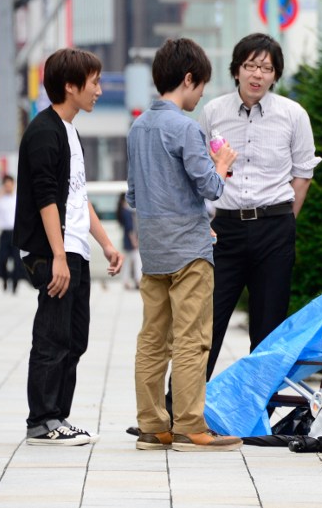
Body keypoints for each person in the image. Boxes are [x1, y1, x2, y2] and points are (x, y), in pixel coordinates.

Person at [127, 37, 243, 452]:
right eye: (201, 86)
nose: (201, 95)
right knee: (192, 340)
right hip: (190, 254)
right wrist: (223, 164)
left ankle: (151, 426)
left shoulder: (138, 126)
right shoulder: (186, 128)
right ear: (189, 78)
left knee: (152, 339)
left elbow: (135, 196)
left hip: (154, 251)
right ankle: (189, 426)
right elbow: (210, 188)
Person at [14, 48, 123, 446]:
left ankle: (58, 416)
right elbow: (46, 199)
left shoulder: (70, 131)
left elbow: (78, 197)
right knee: (52, 336)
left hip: (75, 249)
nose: (99, 89)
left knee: (76, 338)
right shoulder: (44, 131)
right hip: (52, 252)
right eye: (94, 82)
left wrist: (107, 243)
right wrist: (57, 256)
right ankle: (42, 420)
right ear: (70, 86)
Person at [198, 32, 321, 380]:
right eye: (250, 65)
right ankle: (180, 407)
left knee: (268, 326)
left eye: (266, 68)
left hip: (274, 227)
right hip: (225, 229)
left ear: (275, 75)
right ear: (236, 70)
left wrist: (285, 222)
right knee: (208, 319)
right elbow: (200, 170)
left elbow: (303, 173)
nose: (257, 74)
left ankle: (259, 413)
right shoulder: (213, 113)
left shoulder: (293, 115)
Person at [0, 174, 24, 293]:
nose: (8, 187)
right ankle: (4, 280)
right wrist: (0, 193)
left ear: (13, 185)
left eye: (10, 185)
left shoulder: (18, 198)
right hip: (4, 234)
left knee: (17, 261)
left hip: (16, 233)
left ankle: (14, 285)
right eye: (6, 185)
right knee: (2, 260)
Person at [116, 193, 141, 290]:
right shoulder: (126, 212)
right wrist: (134, 241)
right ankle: (138, 280)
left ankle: (125, 281)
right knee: (137, 261)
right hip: (131, 242)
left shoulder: (122, 211)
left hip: (126, 241)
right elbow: (130, 228)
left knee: (127, 262)